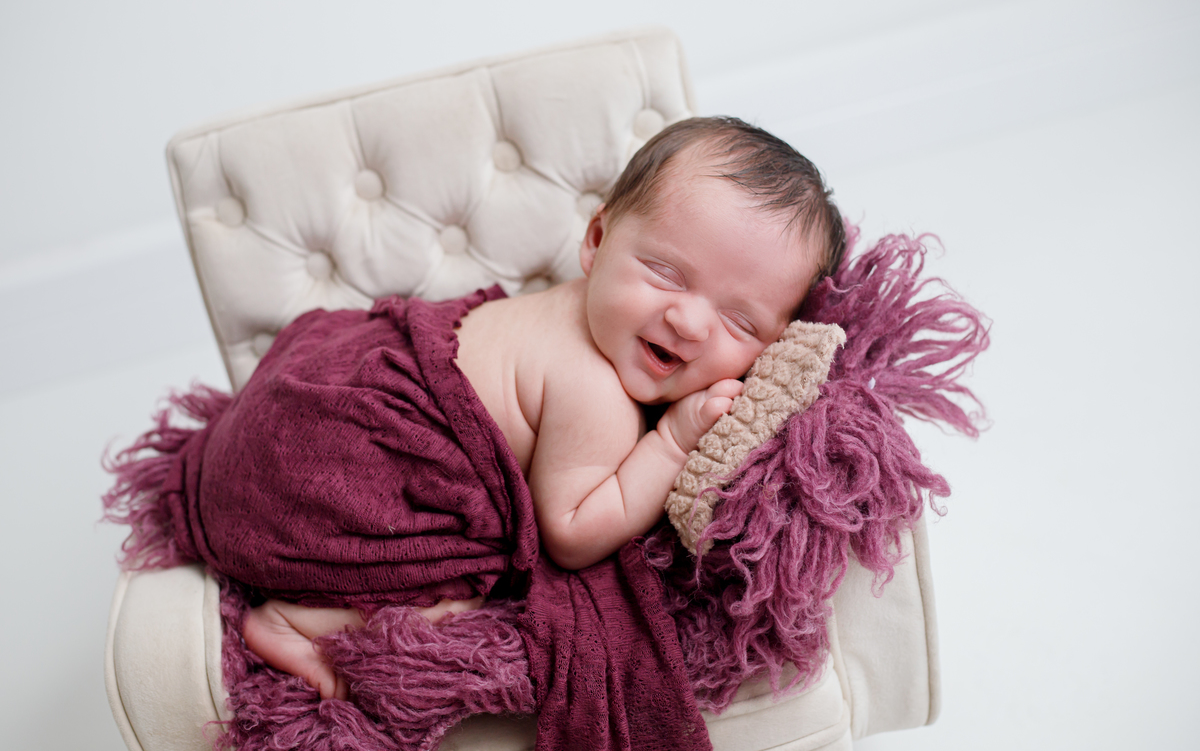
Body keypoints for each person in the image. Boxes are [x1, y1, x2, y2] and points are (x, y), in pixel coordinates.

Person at [237, 116, 847, 700]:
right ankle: (293, 622)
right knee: (465, 596)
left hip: (291, 415)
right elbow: (572, 536)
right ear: (597, 241)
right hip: (328, 481)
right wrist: (672, 443)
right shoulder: (596, 393)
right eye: (665, 273)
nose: (688, 323)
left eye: (739, 321)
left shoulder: (577, 303)